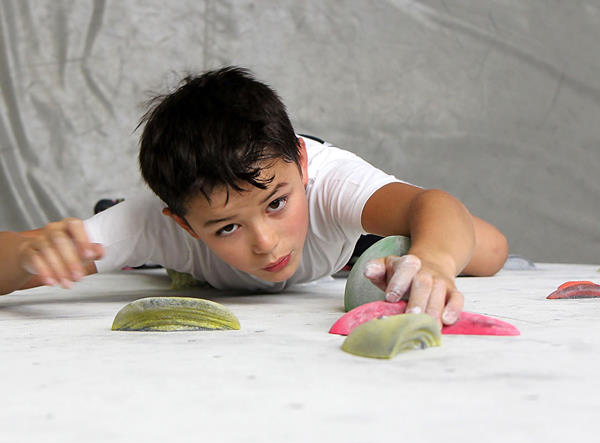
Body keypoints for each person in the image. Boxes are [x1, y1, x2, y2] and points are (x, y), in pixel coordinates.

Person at [0, 66, 508, 325]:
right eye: (227, 227)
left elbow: (435, 205)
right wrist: (26, 255)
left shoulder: (328, 181)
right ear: (183, 225)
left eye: (275, 205)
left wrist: (435, 260)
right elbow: (13, 260)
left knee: (485, 249)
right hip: (175, 240)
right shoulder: (154, 224)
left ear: (302, 168)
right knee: (110, 236)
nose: (265, 243)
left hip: (329, 241)